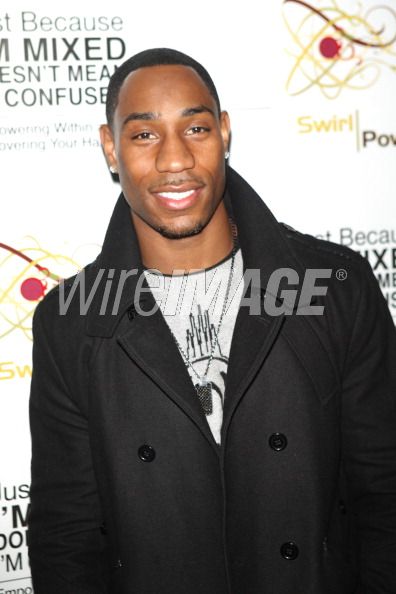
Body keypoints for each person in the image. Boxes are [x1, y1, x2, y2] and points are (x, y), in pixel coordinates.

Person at [28, 48, 396, 594]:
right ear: (111, 148)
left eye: (195, 128)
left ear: (224, 133)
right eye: (145, 135)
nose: (174, 159)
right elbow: (67, 537)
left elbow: (386, 491)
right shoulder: (72, 321)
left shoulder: (333, 288)